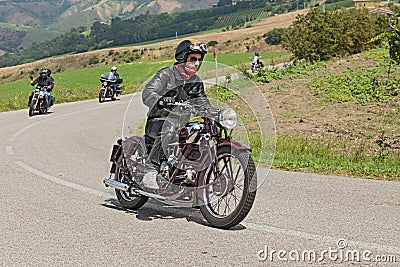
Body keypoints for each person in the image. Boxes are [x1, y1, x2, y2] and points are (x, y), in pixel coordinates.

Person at [141, 39, 214, 190]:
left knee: (203, 130)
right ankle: (150, 170)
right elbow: (148, 93)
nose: (197, 63)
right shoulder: (166, 75)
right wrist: (160, 100)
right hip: (158, 120)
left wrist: (214, 113)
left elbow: (202, 102)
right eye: (193, 59)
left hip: (181, 124)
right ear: (182, 58)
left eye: (199, 60)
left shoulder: (195, 82)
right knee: (169, 128)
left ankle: (195, 173)